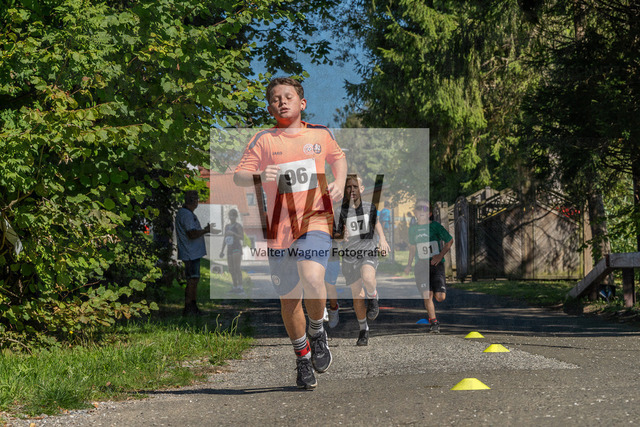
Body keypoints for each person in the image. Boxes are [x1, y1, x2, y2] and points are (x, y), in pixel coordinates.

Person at [233, 77, 347, 389]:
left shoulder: (320, 134)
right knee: (289, 300)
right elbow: (239, 176)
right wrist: (259, 175)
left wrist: (339, 181)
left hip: (314, 219)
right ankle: (302, 358)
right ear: (270, 108)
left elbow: (338, 157)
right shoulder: (263, 140)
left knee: (312, 277)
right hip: (279, 228)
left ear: (302, 103)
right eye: (275, 99)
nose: (282, 102)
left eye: (288, 96)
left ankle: (317, 330)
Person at [337, 175, 390, 346]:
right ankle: (363, 330)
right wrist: (341, 236)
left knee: (368, 277)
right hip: (349, 256)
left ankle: (373, 296)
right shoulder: (340, 211)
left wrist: (382, 240)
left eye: (355, 187)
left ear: (361, 189)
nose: (352, 190)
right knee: (357, 295)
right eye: (348, 187)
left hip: (368, 250)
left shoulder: (369, 207)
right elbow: (336, 235)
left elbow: (377, 224)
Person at [404, 200, 453, 333]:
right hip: (421, 265)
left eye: (424, 209)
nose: (421, 211)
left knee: (440, 297)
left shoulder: (435, 226)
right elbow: (412, 248)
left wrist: (440, 255)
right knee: (427, 294)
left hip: (436, 265)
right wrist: (408, 265)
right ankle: (434, 322)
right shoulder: (412, 229)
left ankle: (434, 319)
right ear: (415, 212)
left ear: (430, 213)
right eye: (418, 208)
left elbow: (449, 241)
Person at [175, 190, 219, 315]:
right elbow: (192, 233)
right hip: (191, 253)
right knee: (192, 280)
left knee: (193, 279)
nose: (197, 202)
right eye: (196, 199)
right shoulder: (187, 215)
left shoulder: (185, 213)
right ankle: (190, 307)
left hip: (191, 252)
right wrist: (205, 230)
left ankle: (192, 307)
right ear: (194, 201)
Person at [219, 209, 244, 294]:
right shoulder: (227, 226)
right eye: (230, 215)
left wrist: (233, 234)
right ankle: (235, 286)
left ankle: (240, 287)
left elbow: (242, 237)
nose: (231, 217)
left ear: (236, 216)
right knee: (231, 269)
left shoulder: (238, 226)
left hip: (237, 248)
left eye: (233, 215)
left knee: (237, 268)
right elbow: (225, 238)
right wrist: (222, 250)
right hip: (229, 249)